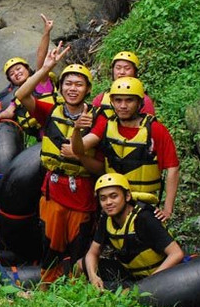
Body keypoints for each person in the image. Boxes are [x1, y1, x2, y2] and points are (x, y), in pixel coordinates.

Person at [13, 42, 98, 285]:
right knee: (50, 242)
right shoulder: (50, 111)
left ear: (88, 89)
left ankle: (75, 287)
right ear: (60, 88)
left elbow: (100, 167)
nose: (73, 89)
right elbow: (21, 95)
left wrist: (79, 155)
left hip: (81, 193)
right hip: (52, 191)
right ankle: (47, 285)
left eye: (79, 84)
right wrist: (46, 68)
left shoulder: (98, 118)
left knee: (78, 244)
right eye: (68, 84)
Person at [70, 76, 180, 223]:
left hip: (144, 205)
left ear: (139, 103)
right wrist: (77, 129)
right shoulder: (107, 126)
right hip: (113, 204)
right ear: (112, 102)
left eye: (129, 100)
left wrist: (168, 209)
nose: (123, 105)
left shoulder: (155, 129)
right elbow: (79, 149)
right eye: (118, 100)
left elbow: (173, 168)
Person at [83, 173, 185, 291]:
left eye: (114, 196)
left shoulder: (144, 219)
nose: (108, 202)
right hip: (132, 275)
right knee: (82, 265)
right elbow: (92, 253)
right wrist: (93, 277)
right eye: (103, 198)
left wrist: (144, 286)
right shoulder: (106, 219)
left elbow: (176, 253)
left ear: (127, 196)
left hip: (160, 275)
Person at [0, 14, 60, 133]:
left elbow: (41, 56)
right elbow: (9, 111)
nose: (16, 73)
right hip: (43, 137)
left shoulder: (41, 80)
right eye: (12, 74)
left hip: (58, 127)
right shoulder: (17, 99)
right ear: (11, 81)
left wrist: (46, 32)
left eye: (18, 69)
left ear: (27, 69)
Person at [91, 50, 156, 120]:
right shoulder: (100, 99)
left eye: (127, 68)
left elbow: (149, 125)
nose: (122, 72)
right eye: (118, 68)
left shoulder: (143, 100)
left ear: (135, 72)